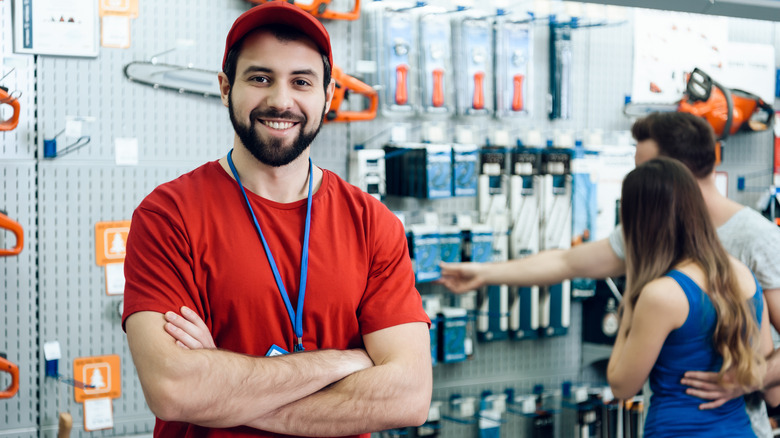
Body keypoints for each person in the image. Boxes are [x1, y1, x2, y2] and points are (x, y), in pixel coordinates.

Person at [121, 3, 432, 437]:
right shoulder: (168, 217)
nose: (281, 101)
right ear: (226, 88)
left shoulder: (372, 223)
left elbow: (410, 396)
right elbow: (175, 389)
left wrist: (223, 390)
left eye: (301, 81)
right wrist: (343, 361)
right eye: (260, 78)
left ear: (327, 95)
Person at [439, 111, 780, 436]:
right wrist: (485, 272)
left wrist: (750, 379)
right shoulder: (665, 241)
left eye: (643, 170)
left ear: (670, 175)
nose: (637, 181)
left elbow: (621, 383)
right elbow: (566, 263)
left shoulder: (758, 240)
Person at [606, 156, 772, 437]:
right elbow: (762, 364)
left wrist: (633, 294)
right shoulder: (744, 276)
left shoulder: (661, 294)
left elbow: (622, 385)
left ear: (638, 222)